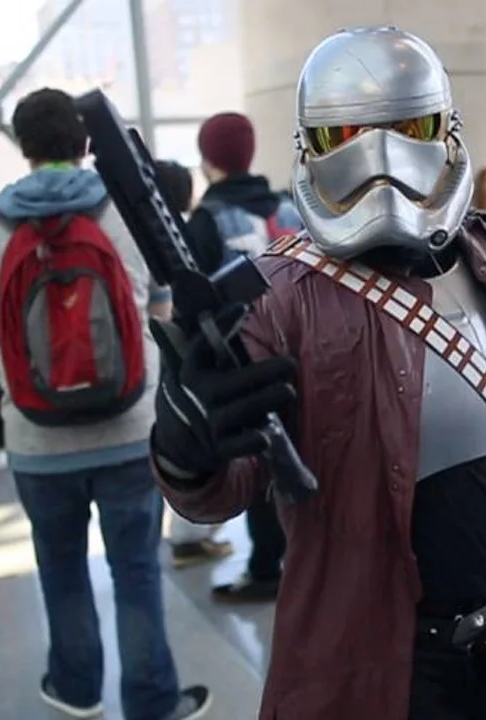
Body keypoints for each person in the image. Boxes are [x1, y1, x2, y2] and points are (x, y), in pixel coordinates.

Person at [151, 27, 486, 720]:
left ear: (444, 129)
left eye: (409, 127)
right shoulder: (279, 301)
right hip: (383, 669)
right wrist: (187, 448)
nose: (379, 158)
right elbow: (225, 488)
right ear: (312, 145)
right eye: (347, 133)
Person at [0, 89, 210, 720]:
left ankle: (75, 688)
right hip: (130, 431)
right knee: (137, 571)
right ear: (86, 142)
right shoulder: (124, 211)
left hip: (36, 442)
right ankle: (152, 701)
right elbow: (163, 309)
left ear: (23, 146)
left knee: (60, 568)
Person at [184, 113, 301, 602]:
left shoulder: (206, 221)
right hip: (309, 356)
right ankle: (307, 560)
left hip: (245, 367)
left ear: (207, 158)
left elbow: (194, 305)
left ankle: (267, 568)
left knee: (260, 465)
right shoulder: (292, 208)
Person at [151, 159, 233, 567]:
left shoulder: (152, 241)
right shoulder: (189, 236)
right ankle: (188, 539)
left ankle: (181, 537)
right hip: (188, 356)